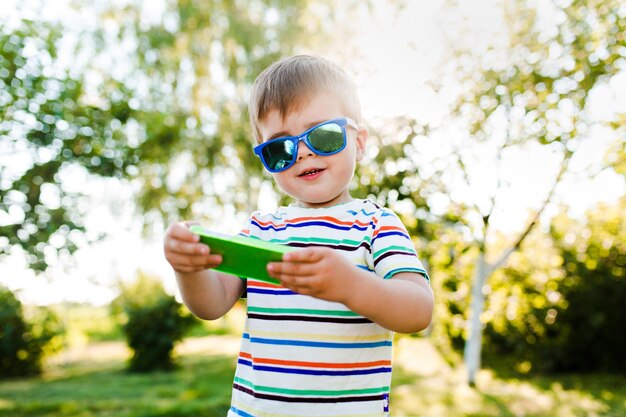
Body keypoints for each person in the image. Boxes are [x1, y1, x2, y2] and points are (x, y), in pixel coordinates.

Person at [164, 55, 433, 417]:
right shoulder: (261, 229)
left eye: (324, 135)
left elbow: (418, 309)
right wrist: (190, 267)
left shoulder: (376, 224)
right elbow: (211, 305)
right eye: (280, 148)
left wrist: (351, 286)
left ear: (360, 141)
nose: (303, 152)